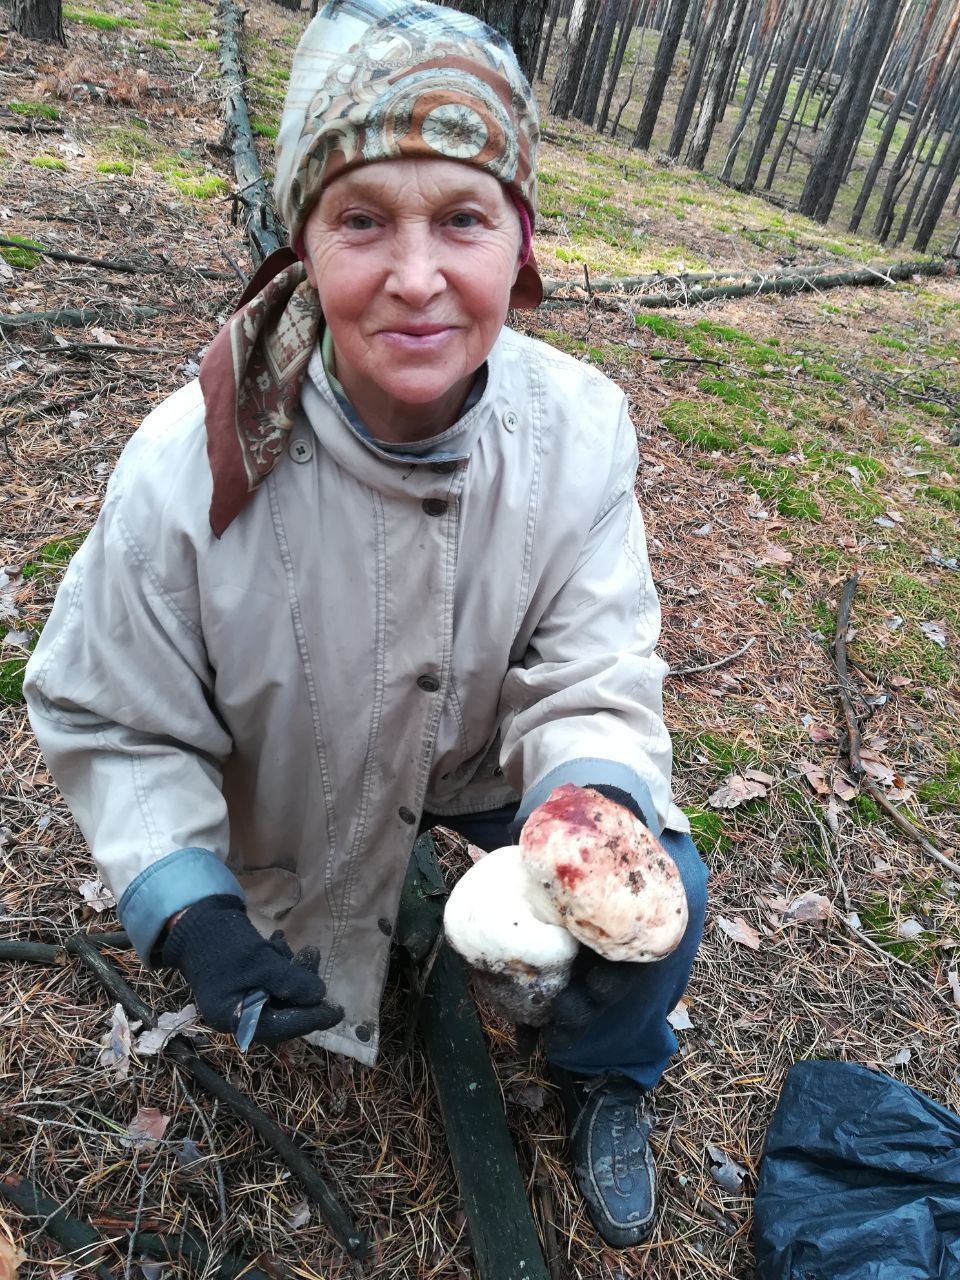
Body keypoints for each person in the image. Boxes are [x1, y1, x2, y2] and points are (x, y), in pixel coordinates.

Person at [24, 0, 707, 1251]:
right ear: (303, 242)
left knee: (669, 883)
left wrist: (594, 800)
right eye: (362, 220)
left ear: (521, 240)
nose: (416, 275)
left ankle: (606, 1066)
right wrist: (189, 906)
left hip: (487, 757)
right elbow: (104, 707)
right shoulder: (191, 462)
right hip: (307, 781)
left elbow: (596, 665)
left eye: (463, 219)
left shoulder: (581, 431)